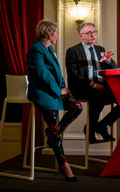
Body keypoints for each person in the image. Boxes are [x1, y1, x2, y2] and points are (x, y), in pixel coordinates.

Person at [27, 19, 83, 181]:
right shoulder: (35, 50)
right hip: (43, 93)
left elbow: (57, 73)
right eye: (57, 34)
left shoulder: (49, 48)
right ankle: (64, 165)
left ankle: (54, 132)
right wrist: (59, 91)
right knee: (53, 126)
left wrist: (65, 90)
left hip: (55, 91)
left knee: (77, 107)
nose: (58, 36)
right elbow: (42, 75)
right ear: (50, 35)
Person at [65, 23, 120, 143]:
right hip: (82, 86)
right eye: (89, 33)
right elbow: (73, 75)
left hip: (101, 85)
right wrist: (93, 85)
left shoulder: (100, 49)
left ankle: (102, 125)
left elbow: (114, 69)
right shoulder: (73, 51)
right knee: (98, 95)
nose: (92, 35)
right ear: (81, 36)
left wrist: (108, 60)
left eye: (94, 32)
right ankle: (90, 131)